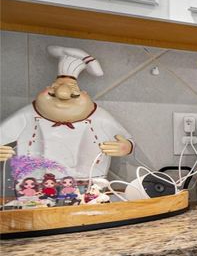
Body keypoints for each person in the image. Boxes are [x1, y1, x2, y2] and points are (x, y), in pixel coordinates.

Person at [0, 46, 134, 181]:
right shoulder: (28, 115)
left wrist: (126, 147)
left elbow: (126, 139)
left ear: (84, 93)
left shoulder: (99, 116)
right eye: (55, 88)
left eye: (73, 89)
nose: (63, 93)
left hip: (88, 180)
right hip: (34, 182)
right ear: (47, 88)